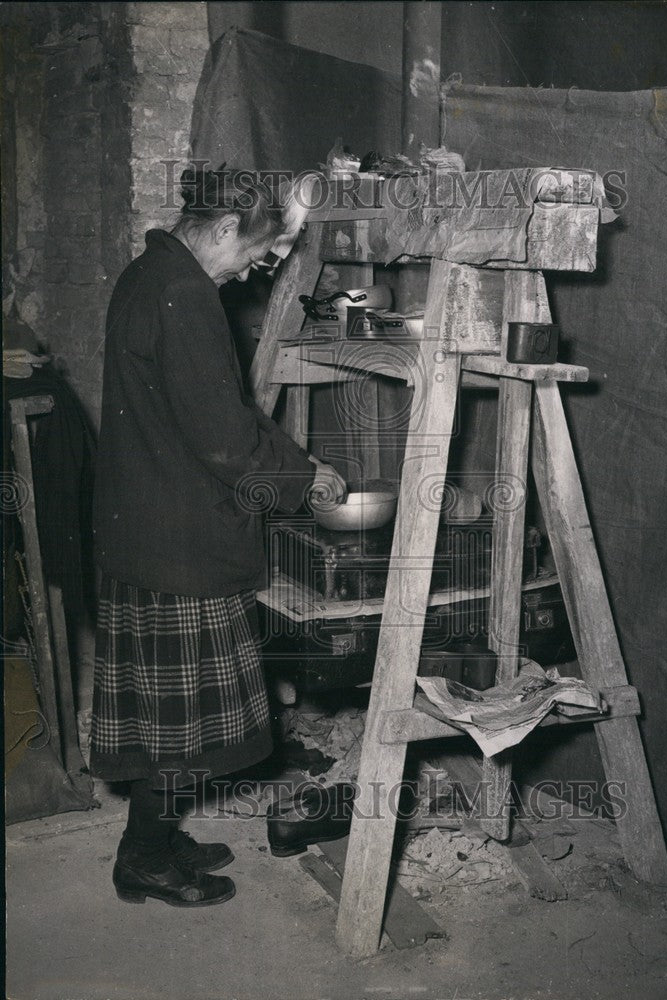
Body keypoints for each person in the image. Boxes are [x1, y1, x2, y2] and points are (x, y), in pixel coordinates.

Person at [90, 166, 345, 906]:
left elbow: (208, 417)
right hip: (178, 543)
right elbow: (226, 441)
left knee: (167, 716)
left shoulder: (147, 274)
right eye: (256, 254)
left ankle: (160, 838)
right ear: (225, 228)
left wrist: (290, 463)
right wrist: (303, 479)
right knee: (184, 726)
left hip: (148, 528)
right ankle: (142, 856)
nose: (252, 272)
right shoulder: (185, 295)